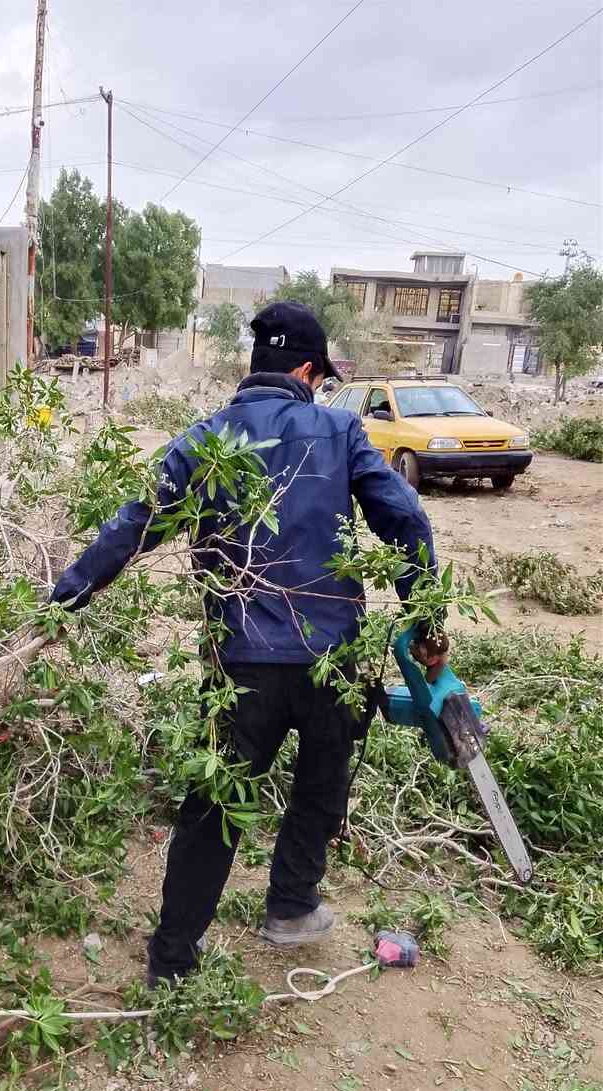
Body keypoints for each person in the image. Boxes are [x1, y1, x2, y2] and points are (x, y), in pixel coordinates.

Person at [51, 302, 447, 986]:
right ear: (305, 371)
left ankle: (172, 963)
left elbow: (136, 522)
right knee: (321, 782)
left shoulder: (206, 437)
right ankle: (291, 906)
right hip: (332, 666)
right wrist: (426, 622)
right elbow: (406, 519)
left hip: (239, 667)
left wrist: (66, 597)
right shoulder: (338, 430)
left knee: (213, 809)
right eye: (319, 378)